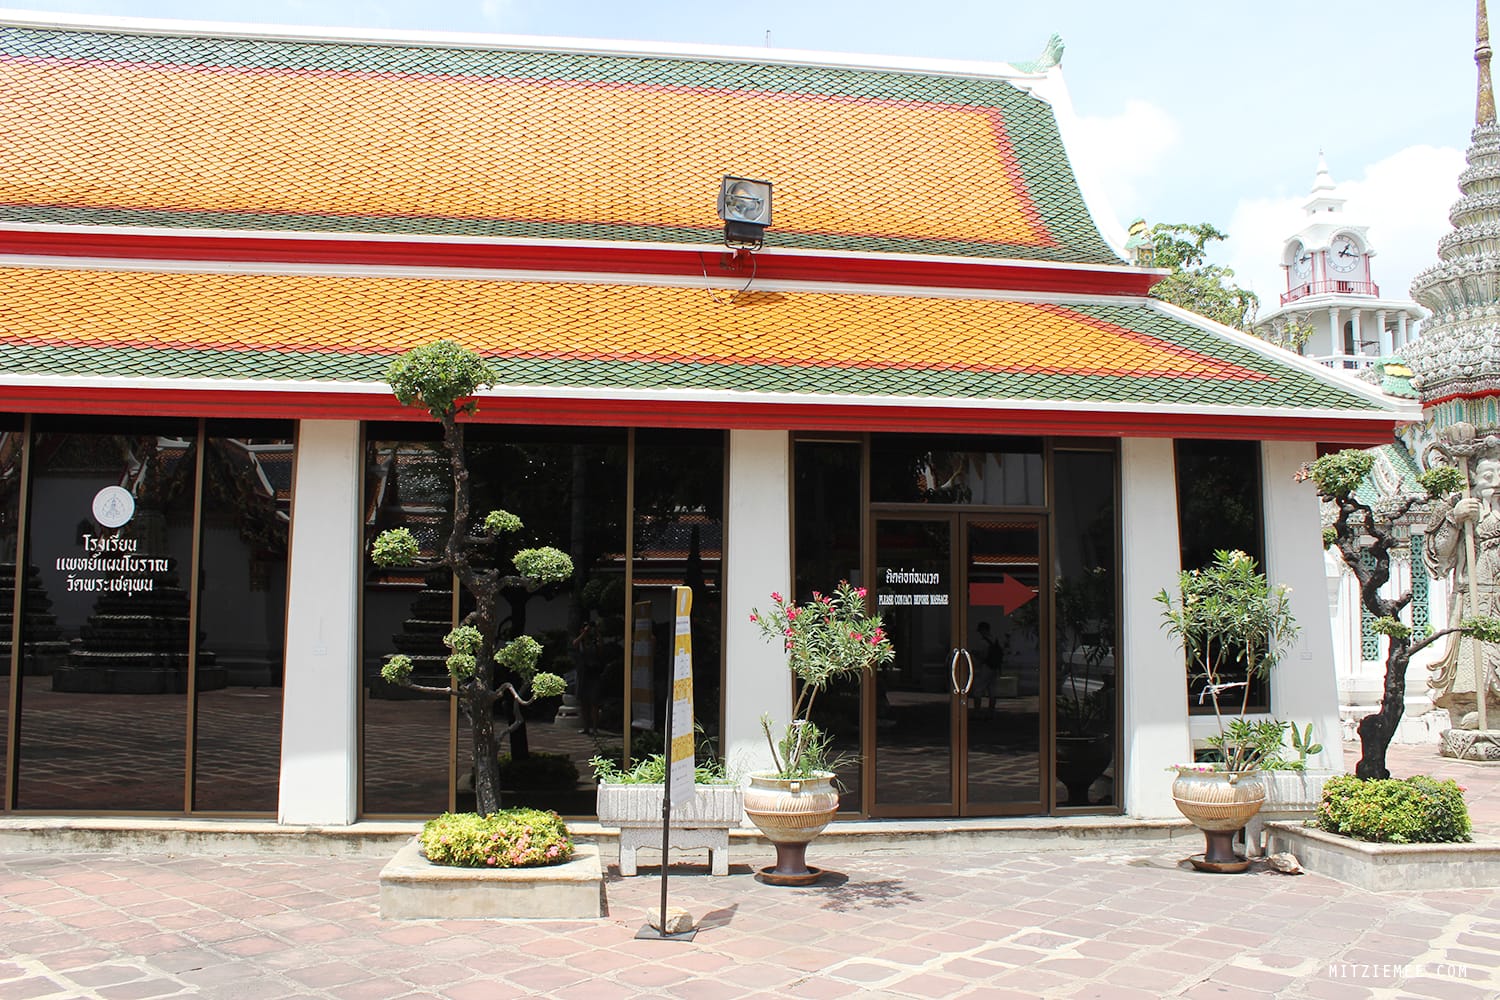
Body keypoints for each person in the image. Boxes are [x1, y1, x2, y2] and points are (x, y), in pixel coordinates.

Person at [1425, 453, 1500, 724]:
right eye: (1489, 477)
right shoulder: (1464, 505)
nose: (1497, 483)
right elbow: (1440, 557)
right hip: (1478, 598)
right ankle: (1475, 706)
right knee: (1477, 651)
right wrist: (1455, 520)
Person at [572, 620, 602, 735]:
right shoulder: (580, 642)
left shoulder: (595, 641)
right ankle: (586, 727)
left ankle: (594, 728)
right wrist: (583, 634)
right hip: (583, 673)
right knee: (583, 702)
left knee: (594, 702)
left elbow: (600, 649)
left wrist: (597, 632)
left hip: (594, 673)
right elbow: (574, 644)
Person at [970, 621, 1006, 712]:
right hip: (995, 667)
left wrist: (974, 654)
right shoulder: (996, 640)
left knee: (978, 689)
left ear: (983, 630)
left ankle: (977, 711)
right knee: (992, 690)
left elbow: (982, 656)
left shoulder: (982, 642)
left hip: (986, 666)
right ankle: (991, 712)